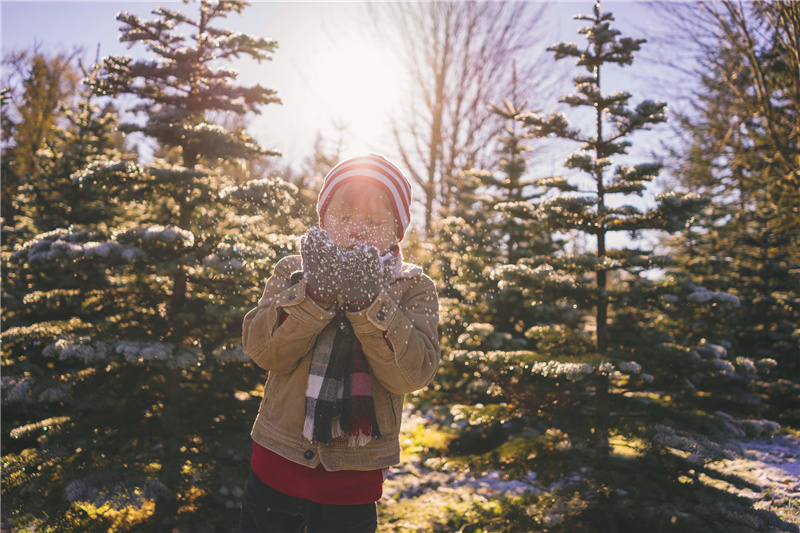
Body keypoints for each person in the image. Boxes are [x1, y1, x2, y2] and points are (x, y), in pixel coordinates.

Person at [239, 153, 441, 533]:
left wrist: (371, 306)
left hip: (351, 482)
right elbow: (265, 352)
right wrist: (313, 296)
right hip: (275, 464)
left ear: (397, 231)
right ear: (323, 222)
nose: (357, 231)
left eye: (374, 221)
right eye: (343, 218)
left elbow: (411, 375)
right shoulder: (292, 270)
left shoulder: (413, 288)